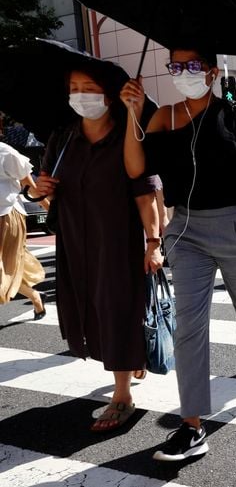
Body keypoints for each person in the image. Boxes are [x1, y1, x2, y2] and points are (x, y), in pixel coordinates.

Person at [121, 47, 236, 461]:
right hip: (186, 229)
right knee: (189, 327)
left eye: (192, 66)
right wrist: (132, 112)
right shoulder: (163, 115)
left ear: (213, 72)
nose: (183, 73)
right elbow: (135, 169)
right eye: (176, 66)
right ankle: (192, 424)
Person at [35, 62, 162, 433]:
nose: (79, 95)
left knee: (115, 308)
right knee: (90, 308)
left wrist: (153, 243)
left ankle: (121, 395)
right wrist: (38, 191)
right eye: (73, 87)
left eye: (87, 86)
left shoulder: (127, 134)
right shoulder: (62, 138)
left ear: (107, 94)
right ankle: (130, 356)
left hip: (118, 241)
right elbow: (45, 193)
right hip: (74, 242)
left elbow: (144, 193)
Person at [0, 141, 46, 319]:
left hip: (7, 217)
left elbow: (32, 189)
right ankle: (36, 297)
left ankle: (35, 297)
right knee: (10, 266)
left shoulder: (6, 152)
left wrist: (52, 212)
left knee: (7, 267)